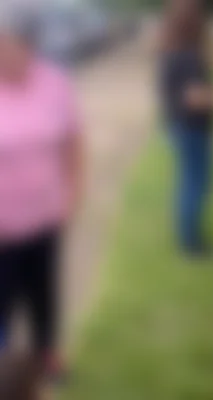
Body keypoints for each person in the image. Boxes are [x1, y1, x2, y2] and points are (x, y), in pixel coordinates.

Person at [0, 6, 82, 379]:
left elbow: (72, 143)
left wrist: (72, 196)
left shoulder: (52, 82)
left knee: (44, 294)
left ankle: (46, 354)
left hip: (45, 216)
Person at [159, 0, 213, 255]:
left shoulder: (172, 50)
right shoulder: (187, 55)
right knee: (195, 183)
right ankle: (190, 242)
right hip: (191, 128)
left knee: (191, 182)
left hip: (181, 127)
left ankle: (187, 236)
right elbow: (192, 97)